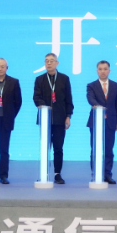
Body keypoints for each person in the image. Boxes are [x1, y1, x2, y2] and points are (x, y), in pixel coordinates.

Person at [33, 53, 74, 184]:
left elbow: (69, 99)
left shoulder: (64, 79)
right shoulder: (39, 79)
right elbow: (36, 97)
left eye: (52, 61)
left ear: (57, 63)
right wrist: (44, 107)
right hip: (45, 119)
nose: (49, 63)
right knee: (45, 147)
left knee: (58, 147)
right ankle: (44, 173)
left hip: (60, 119)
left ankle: (57, 174)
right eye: (46, 61)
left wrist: (68, 116)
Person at [86, 60, 117, 184]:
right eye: (100, 69)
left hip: (111, 122)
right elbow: (90, 98)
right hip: (96, 121)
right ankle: (95, 174)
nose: (103, 71)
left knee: (109, 150)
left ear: (109, 71)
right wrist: (98, 107)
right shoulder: (91, 85)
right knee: (95, 149)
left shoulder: (115, 85)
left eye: (105, 69)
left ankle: (107, 174)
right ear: (97, 71)